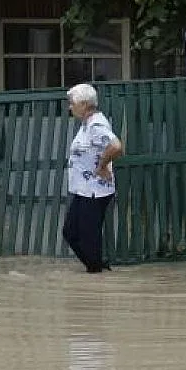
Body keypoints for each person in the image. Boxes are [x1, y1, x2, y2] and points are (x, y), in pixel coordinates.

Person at [63, 83, 123, 273]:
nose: (69, 107)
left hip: (95, 191)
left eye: (72, 103)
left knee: (87, 237)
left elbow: (116, 146)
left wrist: (102, 165)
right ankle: (97, 267)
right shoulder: (87, 124)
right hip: (85, 189)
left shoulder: (96, 124)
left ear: (84, 104)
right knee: (71, 232)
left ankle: (96, 276)